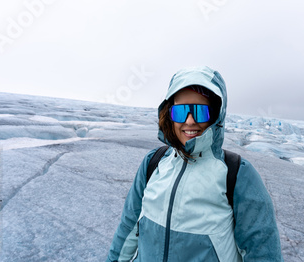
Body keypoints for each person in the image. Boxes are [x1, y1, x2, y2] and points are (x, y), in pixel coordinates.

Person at [106, 66, 283, 262]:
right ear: (169, 114)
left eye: (200, 111)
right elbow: (129, 226)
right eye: (181, 111)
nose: (189, 121)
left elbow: (262, 252)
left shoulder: (236, 173)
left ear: (216, 115)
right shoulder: (153, 163)